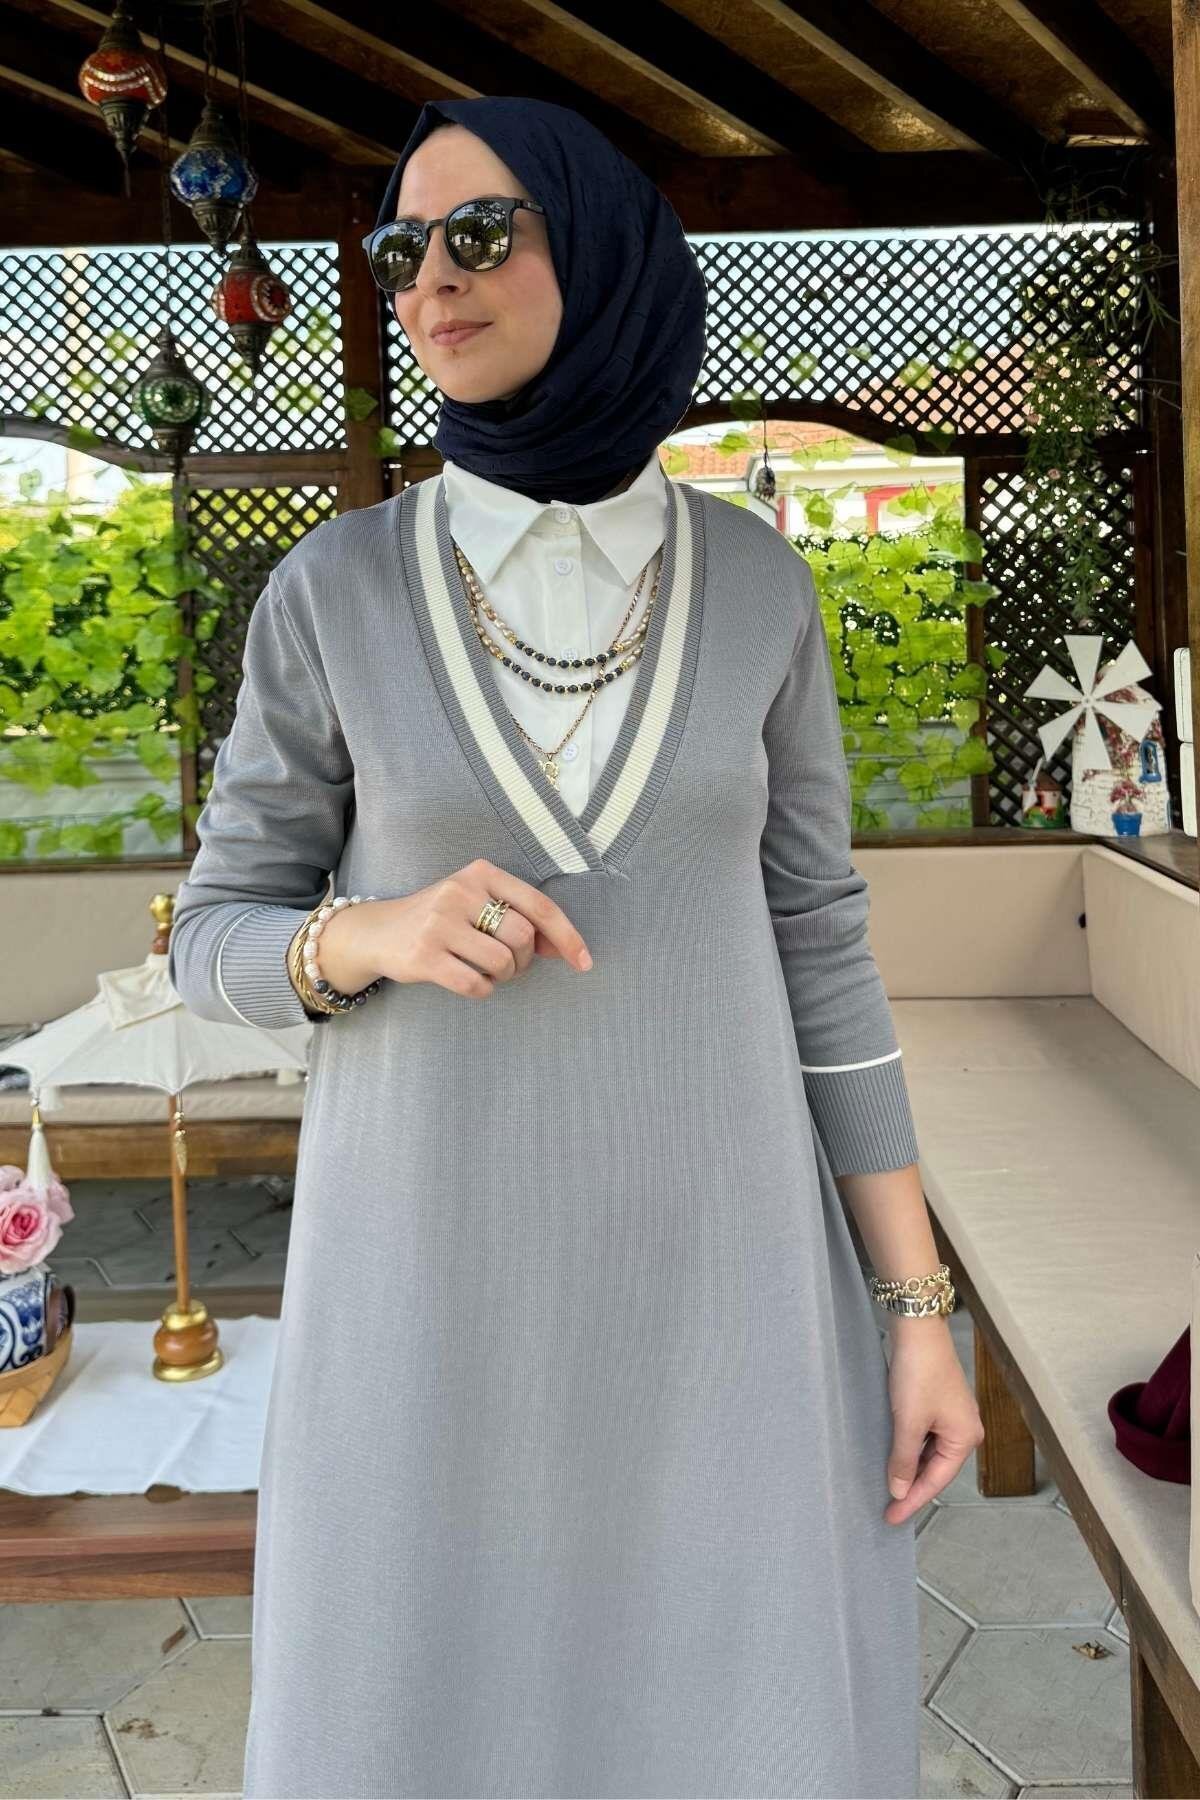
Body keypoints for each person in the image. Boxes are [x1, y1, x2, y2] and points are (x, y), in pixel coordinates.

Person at [169, 93, 983, 1800]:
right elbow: (213, 938)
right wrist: (371, 934)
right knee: (426, 1718)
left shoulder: (757, 586)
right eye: (401, 248)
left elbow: (822, 946)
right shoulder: (335, 592)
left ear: (603, 251)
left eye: (480, 233)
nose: (429, 281)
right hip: (429, 1294)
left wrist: (917, 1310)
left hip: (729, 1296)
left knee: (740, 1724)